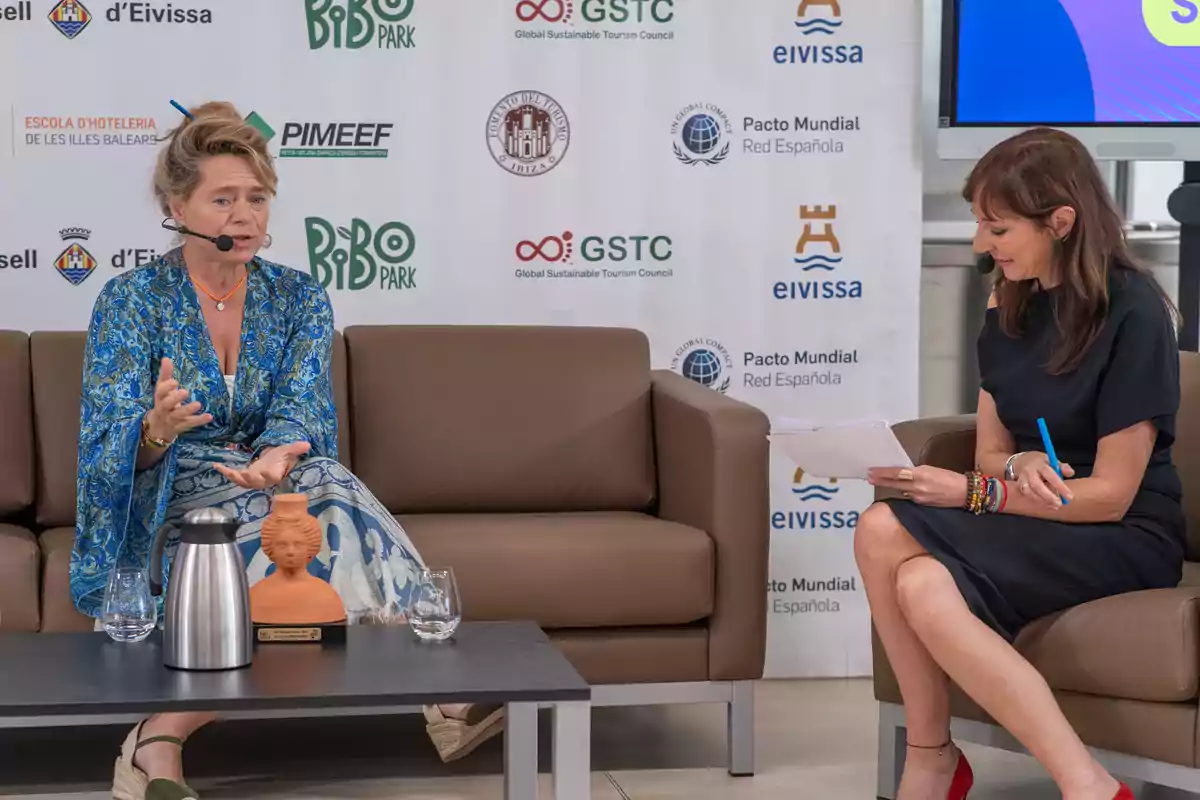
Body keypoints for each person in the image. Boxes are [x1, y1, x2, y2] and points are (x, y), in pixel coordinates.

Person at [72, 102, 503, 800]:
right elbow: (105, 445)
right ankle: (445, 695)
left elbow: (303, 403)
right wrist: (153, 429)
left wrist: (276, 459)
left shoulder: (299, 295)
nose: (243, 215)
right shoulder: (130, 300)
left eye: (256, 198)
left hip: (280, 481)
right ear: (177, 204)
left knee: (319, 487)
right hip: (174, 492)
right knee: (315, 509)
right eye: (222, 199)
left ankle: (159, 741)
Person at [859, 127, 1182, 800]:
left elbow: (1111, 495)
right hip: (1039, 518)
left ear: (1060, 221)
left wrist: (975, 495)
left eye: (997, 228)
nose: (982, 245)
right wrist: (1015, 466)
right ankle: (994, 766)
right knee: (903, 561)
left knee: (892, 539)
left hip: (1119, 534)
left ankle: (967, 768)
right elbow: (993, 454)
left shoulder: (1135, 312)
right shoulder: (1006, 300)